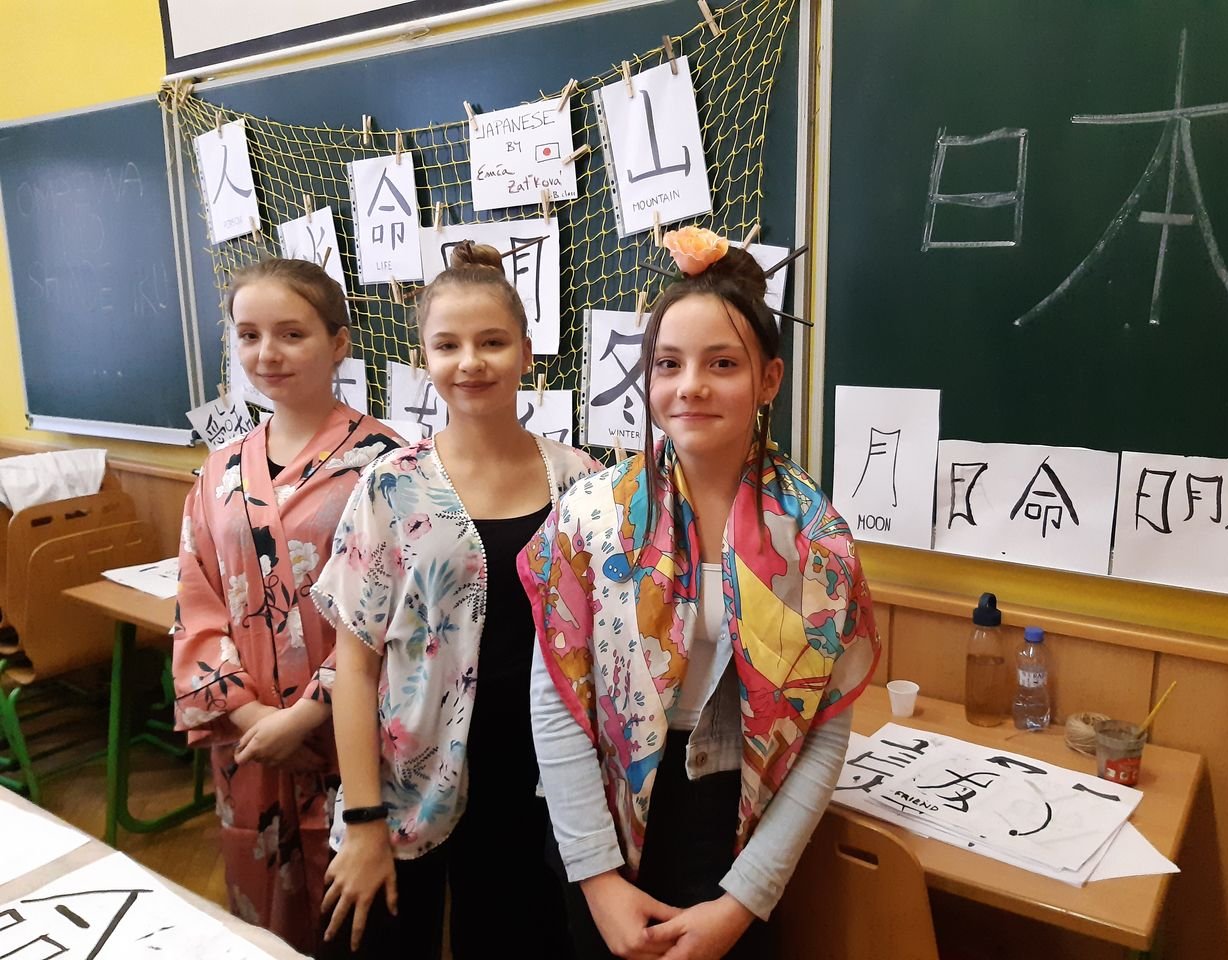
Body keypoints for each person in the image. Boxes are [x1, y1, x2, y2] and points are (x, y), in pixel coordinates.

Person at [521, 227, 881, 960]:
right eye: (668, 363)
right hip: (601, 814)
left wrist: (746, 898)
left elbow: (823, 730)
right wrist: (598, 879)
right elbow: (556, 700)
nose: (690, 385)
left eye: (722, 363)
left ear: (769, 380)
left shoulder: (816, 540)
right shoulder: (592, 517)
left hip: (741, 821)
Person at [311, 241, 599, 958]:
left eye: (492, 342)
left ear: (527, 351)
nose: (470, 362)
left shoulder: (583, 484)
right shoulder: (390, 487)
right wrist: (365, 819)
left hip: (538, 783)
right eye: (448, 345)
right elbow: (355, 665)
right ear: (425, 358)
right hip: (405, 781)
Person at [172, 258, 403, 954]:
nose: (266, 353)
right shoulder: (220, 470)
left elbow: (404, 612)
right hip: (250, 744)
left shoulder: (391, 463)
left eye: (291, 333)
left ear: (339, 343)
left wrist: (307, 712)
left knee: (358, 927)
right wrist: (251, 715)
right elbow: (197, 601)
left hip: (353, 741)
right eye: (249, 335)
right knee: (261, 926)